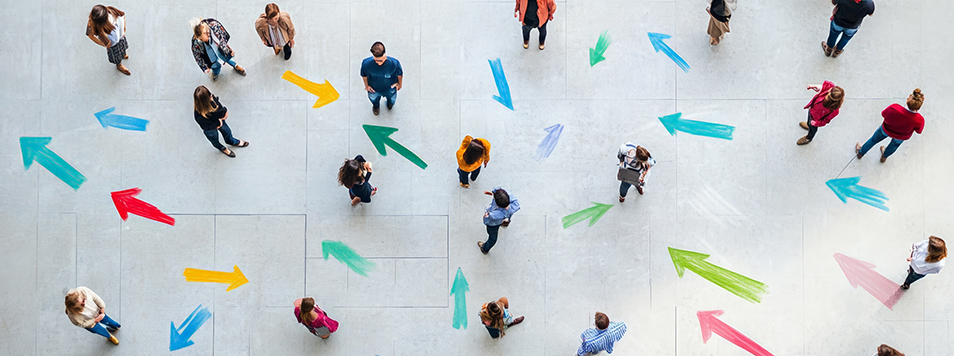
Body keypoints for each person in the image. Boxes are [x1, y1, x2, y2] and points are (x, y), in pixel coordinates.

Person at [855, 89, 924, 163]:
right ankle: (884, 156)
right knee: (893, 146)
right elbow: (919, 131)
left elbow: (883, 114)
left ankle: (861, 152)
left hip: (885, 129)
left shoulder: (894, 108)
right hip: (901, 136)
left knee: (873, 140)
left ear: (908, 99)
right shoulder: (919, 119)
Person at [193, 86, 249, 157]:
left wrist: (214, 104)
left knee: (227, 132)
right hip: (211, 129)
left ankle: (231, 141)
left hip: (219, 121)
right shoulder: (198, 115)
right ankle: (222, 148)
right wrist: (217, 124)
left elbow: (223, 113)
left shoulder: (213, 102)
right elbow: (205, 125)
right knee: (215, 140)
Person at [360, 42, 403, 116]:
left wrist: (399, 84)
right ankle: (376, 107)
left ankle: (390, 104)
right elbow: (364, 76)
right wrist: (367, 86)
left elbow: (400, 74)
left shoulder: (394, 63)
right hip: (374, 89)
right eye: (376, 60)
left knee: (392, 99)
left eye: (381, 60)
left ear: (385, 55)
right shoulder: (366, 64)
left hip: (390, 88)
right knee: (373, 100)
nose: (379, 63)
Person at [86, 5, 130, 75]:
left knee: (123, 47)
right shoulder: (93, 25)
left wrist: (124, 29)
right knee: (116, 57)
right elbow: (90, 35)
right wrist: (103, 44)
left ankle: (123, 54)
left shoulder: (111, 12)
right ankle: (119, 65)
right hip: (112, 46)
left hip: (121, 38)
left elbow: (122, 15)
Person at [478, 187, 520, 254]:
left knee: (492, 237)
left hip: (493, 224)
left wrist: (486, 215)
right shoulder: (514, 205)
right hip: (504, 218)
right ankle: (505, 223)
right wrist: (493, 194)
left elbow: (487, 220)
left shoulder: (495, 214)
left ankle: (485, 248)